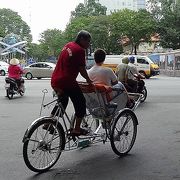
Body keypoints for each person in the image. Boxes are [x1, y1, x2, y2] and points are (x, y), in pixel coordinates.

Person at [49, 30, 92, 136]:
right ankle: (77, 129)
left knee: (63, 101)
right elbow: (82, 70)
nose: (88, 44)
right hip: (67, 81)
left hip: (55, 79)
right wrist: (89, 80)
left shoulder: (68, 45)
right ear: (81, 39)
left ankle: (49, 122)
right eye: (88, 41)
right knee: (81, 103)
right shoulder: (79, 50)